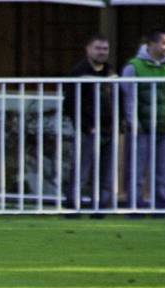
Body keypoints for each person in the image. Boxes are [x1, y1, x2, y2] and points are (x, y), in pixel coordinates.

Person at [121, 29, 165, 209]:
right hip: (142, 127)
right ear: (151, 44)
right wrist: (133, 122)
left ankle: (162, 206)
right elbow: (128, 98)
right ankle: (134, 206)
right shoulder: (134, 66)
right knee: (137, 170)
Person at [63, 34, 116, 209]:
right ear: (88, 49)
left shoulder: (111, 73)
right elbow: (70, 103)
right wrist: (86, 126)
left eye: (105, 49)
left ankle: (101, 206)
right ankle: (73, 206)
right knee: (81, 171)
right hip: (88, 130)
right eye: (98, 48)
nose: (102, 52)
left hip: (109, 128)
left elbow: (118, 100)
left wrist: (119, 123)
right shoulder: (78, 72)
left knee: (106, 173)